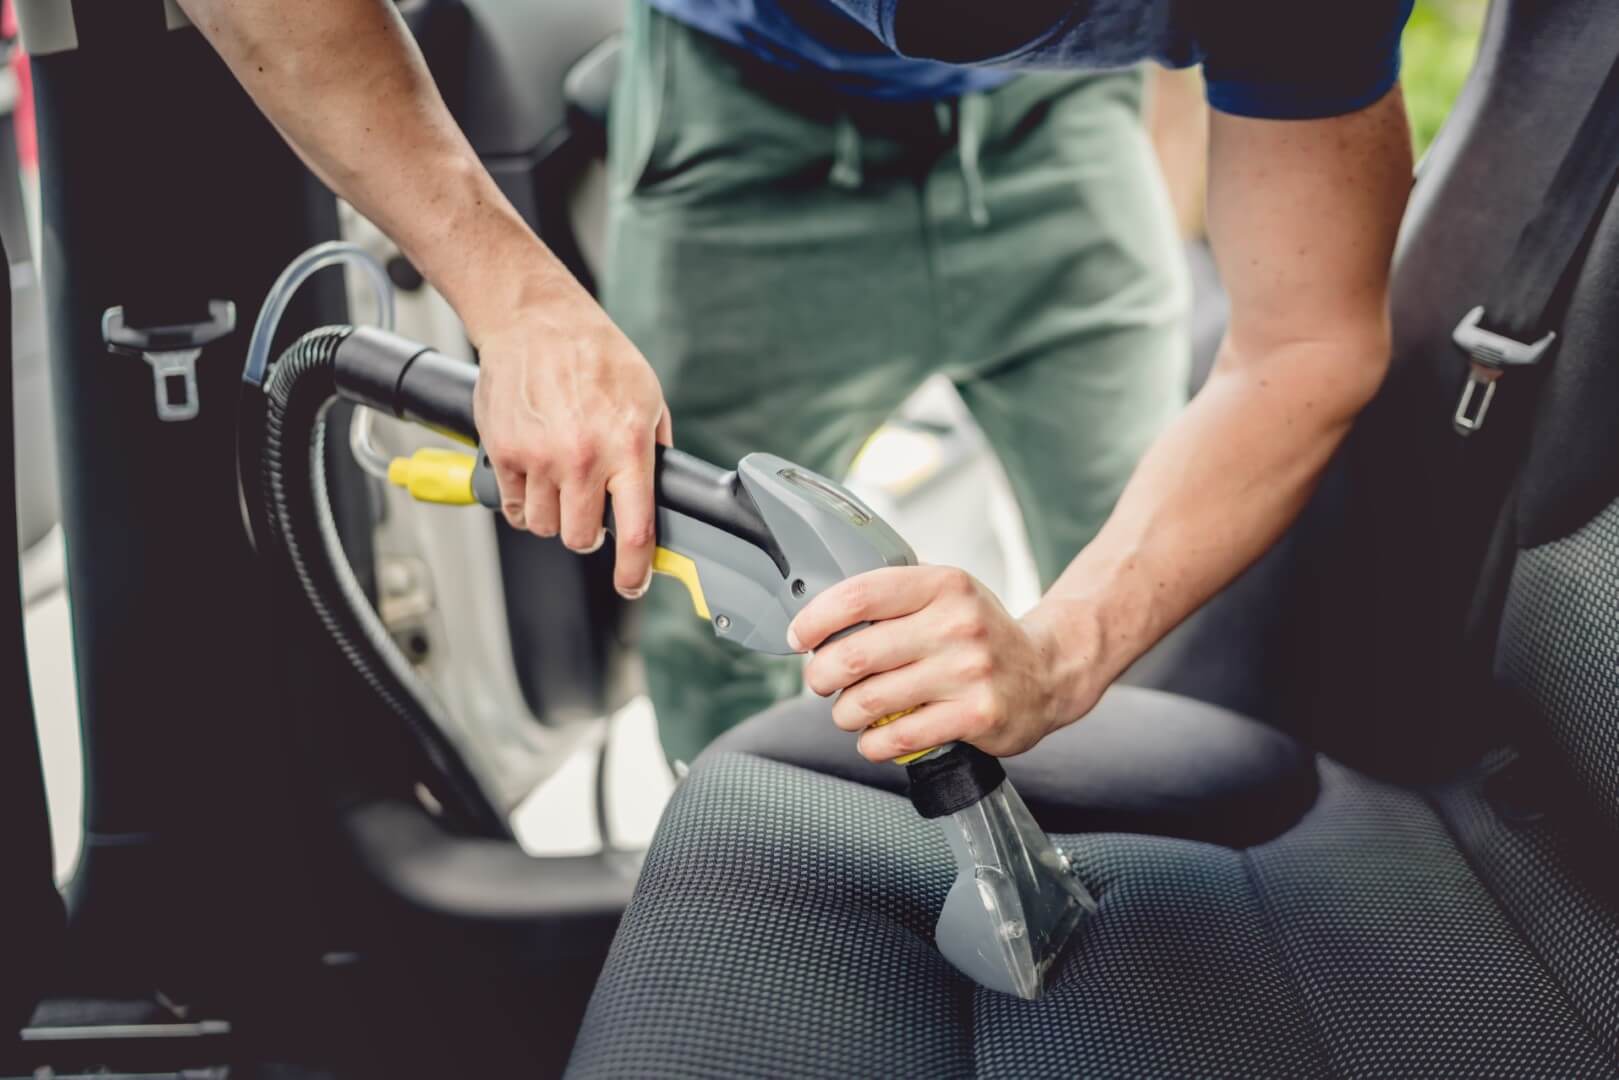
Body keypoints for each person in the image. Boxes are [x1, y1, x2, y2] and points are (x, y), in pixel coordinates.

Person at [179, 0, 1414, 768]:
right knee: (725, 612)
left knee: (1165, 596)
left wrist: (1059, 650)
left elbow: (1303, 347)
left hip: (1056, 132)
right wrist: (516, 296)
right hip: (741, 124)